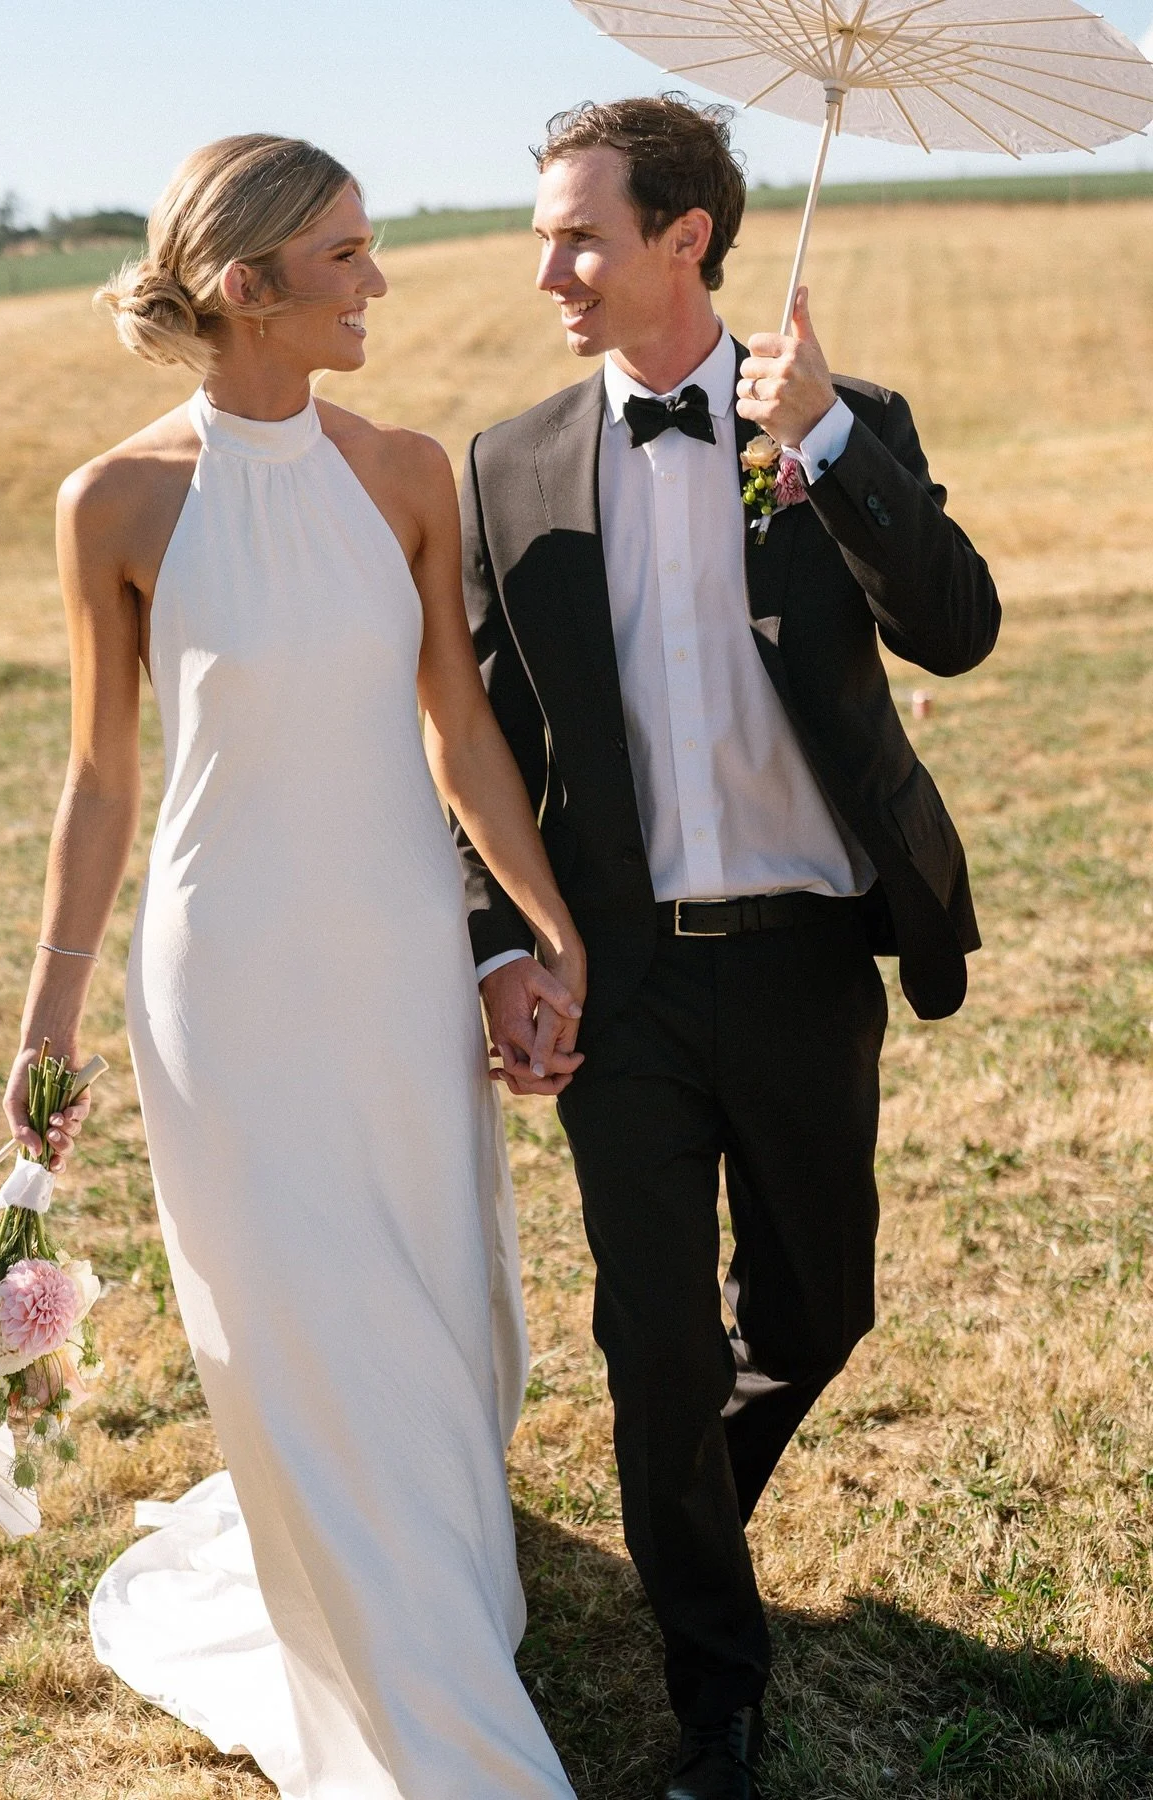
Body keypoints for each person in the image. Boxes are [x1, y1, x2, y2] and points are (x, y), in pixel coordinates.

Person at [1, 135, 587, 1800]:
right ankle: (421, 1726)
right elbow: (104, 777)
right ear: (247, 286)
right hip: (221, 984)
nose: (379, 281)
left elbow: (456, 726)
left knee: (427, 1314)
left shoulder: (406, 472)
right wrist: (50, 1011)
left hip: (398, 958)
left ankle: (435, 1609)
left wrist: (545, 922)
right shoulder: (113, 502)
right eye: (345, 257)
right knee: (295, 1327)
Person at [458, 96, 1000, 1800]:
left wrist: (830, 436)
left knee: (819, 1307)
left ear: (686, 236)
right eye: (546, 233)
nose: (549, 267)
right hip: (616, 978)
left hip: (807, 959)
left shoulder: (842, 423)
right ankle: (716, 1692)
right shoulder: (511, 463)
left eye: (581, 235)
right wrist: (499, 948)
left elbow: (959, 630)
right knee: (656, 1343)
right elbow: (473, 738)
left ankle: (673, 1516)